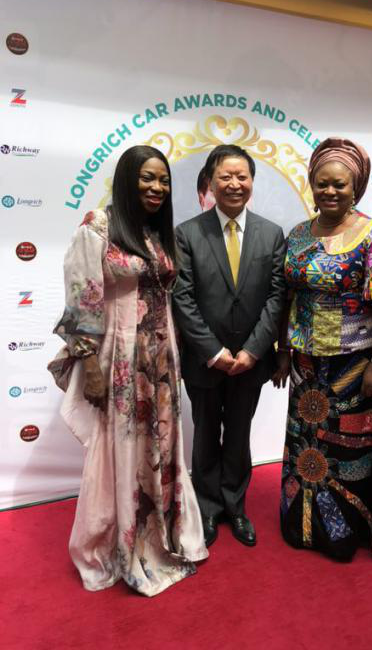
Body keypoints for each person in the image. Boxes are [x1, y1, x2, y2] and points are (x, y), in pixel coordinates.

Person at [48, 145, 207, 596]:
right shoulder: (98, 226)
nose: (157, 187)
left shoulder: (157, 231)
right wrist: (89, 365)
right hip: (119, 358)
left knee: (161, 443)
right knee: (120, 447)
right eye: (146, 178)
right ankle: (119, 539)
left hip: (162, 356)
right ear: (126, 179)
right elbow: (82, 300)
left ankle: (162, 535)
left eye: (163, 180)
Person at [273, 137, 372, 560]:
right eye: (321, 183)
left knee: (348, 449)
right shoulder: (298, 234)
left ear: (355, 187)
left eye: (339, 184)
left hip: (355, 364)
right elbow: (287, 297)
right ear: (311, 184)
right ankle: (302, 525)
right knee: (306, 443)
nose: (329, 191)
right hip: (307, 364)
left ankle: (343, 533)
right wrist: (283, 350)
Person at [172, 144, 286, 548]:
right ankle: (207, 508)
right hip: (205, 360)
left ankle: (235, 507)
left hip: (251, 360)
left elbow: (276, 297)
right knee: (205, 434)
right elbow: (182, 298)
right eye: (226, 176)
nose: (235, 184)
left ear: (252, 181)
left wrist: (253, 350)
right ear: (210, 182)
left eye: (242, 176)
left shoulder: (272, 234)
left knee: (239, 434)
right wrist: (213, 351)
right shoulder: (187, 233)